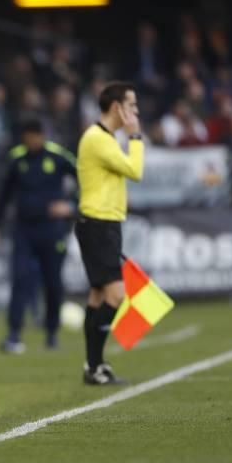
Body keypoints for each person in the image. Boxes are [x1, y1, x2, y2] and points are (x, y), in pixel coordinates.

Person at [74, 81, 144, 386]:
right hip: (98, 225)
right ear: (117, 107)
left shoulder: (103, 138)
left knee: (98, 296)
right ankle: (94, 365)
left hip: (103, 225)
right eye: (132, 105)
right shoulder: (98, 139)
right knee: (116, 296)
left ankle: (94, 366)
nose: (136, 111)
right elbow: (135, 170)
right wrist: (136, 137)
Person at [0, 119, 77, 353]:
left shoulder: (58, 156)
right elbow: (4, 193)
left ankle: (51, 333)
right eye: (29, 136)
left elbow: (86, 179)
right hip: (24, 230)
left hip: (52, 229)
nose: (33, 140)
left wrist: (72, 205)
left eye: (37, 136)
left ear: (43, 135)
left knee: (53, 282)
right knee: (20, 279)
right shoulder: (17, 159)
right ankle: (14, 334)